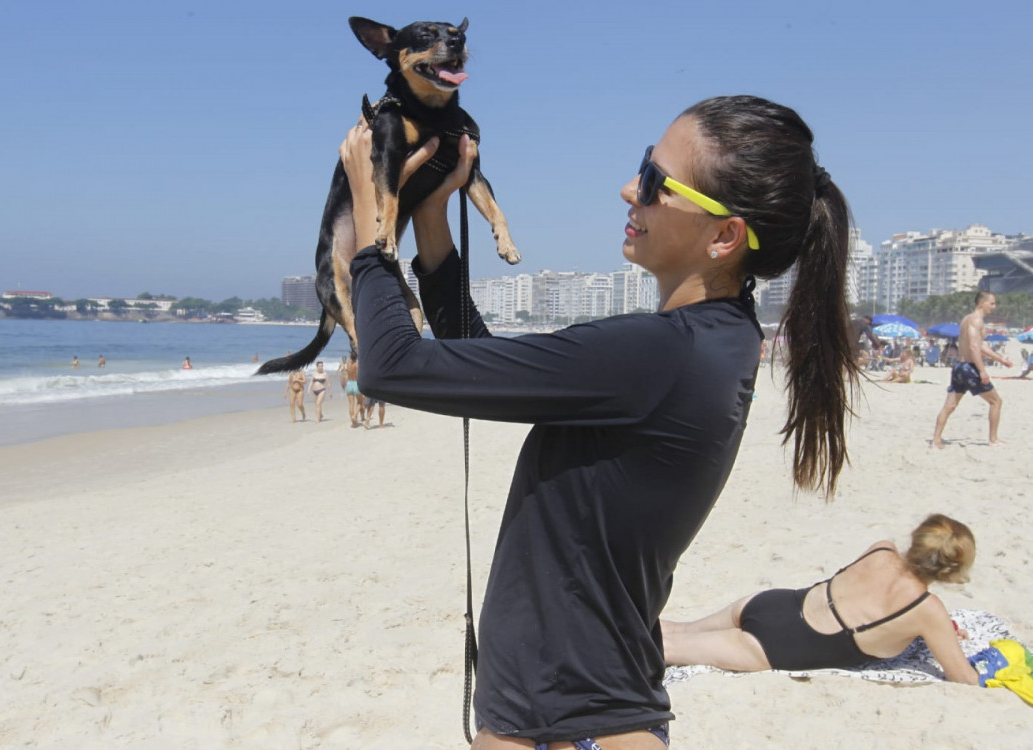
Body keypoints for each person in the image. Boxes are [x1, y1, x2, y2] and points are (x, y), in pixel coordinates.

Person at [338, 94, 858, 748]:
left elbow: (388, 367)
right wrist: (436, 218)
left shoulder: (658, 352)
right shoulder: (716, 340)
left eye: (654, 182)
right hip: (587, 700)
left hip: (564, 713)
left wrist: (371, 213)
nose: (628, 191)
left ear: (724, 236)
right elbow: (479, 362)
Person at [658, 514, 979, 684]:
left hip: (773, 603)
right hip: (779, 646)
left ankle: (609, 620)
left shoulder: (882, 549)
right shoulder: (926, 611)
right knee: (662, 649)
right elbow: (963, 678)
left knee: (676, 629)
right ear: (951, 571)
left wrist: (940, 629)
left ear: (916, 538)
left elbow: (867, 598)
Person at [931, 291, 1013, 448]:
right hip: (969, 367)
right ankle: (993, 439)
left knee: (949, 406)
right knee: (996, 401)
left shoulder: (966, 319)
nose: (994, 307)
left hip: (959, 367)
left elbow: (979, 344)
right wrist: (982, 371)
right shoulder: (976, 320)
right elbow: (974, 346)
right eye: (992, 303)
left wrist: (1000, 359)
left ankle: (936, 440)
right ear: (982, 303)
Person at [344, 352, 363, 427]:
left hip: (349, 383)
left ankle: (354, 423)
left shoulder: (348, 364)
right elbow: (359, 375)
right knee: (360, 402)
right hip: (355, 383)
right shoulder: (357, 365)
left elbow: (346, 373)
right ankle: (354, 416)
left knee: (351, 404)